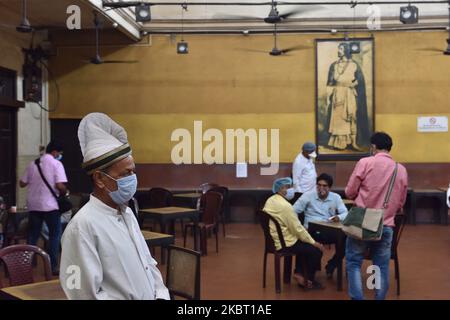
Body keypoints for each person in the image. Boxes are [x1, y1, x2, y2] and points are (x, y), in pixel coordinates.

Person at [60, 113, 169, 300]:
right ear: (100, 179)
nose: (132, 179)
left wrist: (160, 294)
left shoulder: (126, 213)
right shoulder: (82, 227)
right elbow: (82, 294)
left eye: (133, 171)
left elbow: (147, 264)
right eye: (125, 174)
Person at [345, 132, 408, 300]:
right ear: (389, 148)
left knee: (354, 263)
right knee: (381, 266)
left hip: (362, 221)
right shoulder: (400, 169)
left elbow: (349, 191)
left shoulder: (365, 162)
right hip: (386, 224)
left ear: (373, 146)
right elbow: (401, 202)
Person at [263, 177, 325, 290]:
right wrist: (314, 242)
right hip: (285, 243)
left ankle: (299, 273)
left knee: (304, 244)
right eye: (288, 187)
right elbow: (297, 229)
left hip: (273, 241)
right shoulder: (285, 206)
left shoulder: (271, 200)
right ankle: (307, 280)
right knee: (315, 251)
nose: (291, 189)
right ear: (281, 189)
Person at [19, 140, 67, 275]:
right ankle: (52, 266)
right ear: (55, 152)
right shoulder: (57, 164)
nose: (60, 155)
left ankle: (28, 264)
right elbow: (59, 186)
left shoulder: (33, 164)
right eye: (60, 153)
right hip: (50, 206)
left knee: (33, 235)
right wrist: (65, 191)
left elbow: (22, 183)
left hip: (34, 205)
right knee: (54, 235)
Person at [293, 173, 348, 278]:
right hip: (311, 230)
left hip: (328, 230)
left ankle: (332, 264)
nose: (321, 188)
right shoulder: (308, 195)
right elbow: (293, 211)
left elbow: (346, 213)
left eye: (324, 186)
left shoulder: (336, 197)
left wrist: (339, 217)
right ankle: (305, 275)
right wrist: (298, 226)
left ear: (330, 188)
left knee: (346, 240)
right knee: (307, 241)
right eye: (319, 185)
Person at [325, 42, 370, 151]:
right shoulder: (334, 65)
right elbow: (330, 83)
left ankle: (353, 143)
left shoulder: (354, 65)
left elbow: (359, 82)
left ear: (346, 50)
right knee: (339, 119)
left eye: (340, 48)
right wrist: (328, 97)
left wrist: (353, 84)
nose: (338, 50)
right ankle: (339, 144)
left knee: (351, 118)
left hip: (350, 95)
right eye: (338, 48)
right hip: (338, 95)